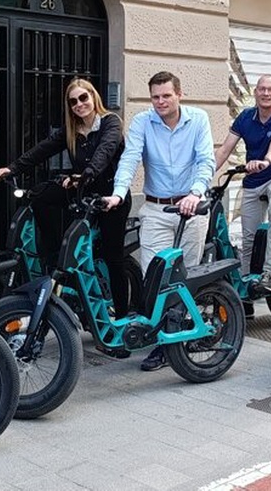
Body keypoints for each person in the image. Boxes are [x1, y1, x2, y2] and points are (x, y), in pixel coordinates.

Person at [0, 78, 131, 328]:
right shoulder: (71, 129)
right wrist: (12, 169)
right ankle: (54, 254)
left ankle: (122, 319)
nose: (79, 104)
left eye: (83, 98)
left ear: (93, 97)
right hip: (82, 192)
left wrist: (86, 174)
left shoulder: (110, 122)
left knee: (113, 257)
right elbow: (42, 150)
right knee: (40, 196)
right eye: (73, 101)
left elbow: (106, 151)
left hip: (111, 198)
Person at [102, 71, 215, 372]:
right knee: (156, 278)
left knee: (185, 277)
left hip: (191, 207)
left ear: (179, 94)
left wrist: (196, 193)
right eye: (155, 97)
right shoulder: (143, 122)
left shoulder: (198, 119)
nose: (160, 102)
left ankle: (181, 337)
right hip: (155, 209)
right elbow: (129, 159)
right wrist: (117, 193)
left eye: (166, 95)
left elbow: (205, 160)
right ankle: (164, 345)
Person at [215, 75, 271, 293]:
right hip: (253, 181)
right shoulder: (245, 117)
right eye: (261, 89)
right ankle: (245, 287)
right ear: (255, 92)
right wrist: (201, 178)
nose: (266, 93)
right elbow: (225, 150)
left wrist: (267, 160)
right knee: (248, 237)